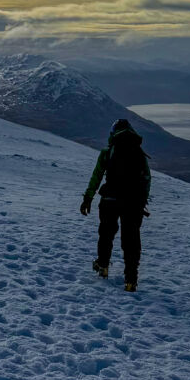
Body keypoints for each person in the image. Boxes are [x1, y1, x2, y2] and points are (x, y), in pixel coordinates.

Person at [80, 119, 151, 291]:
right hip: (133, 203)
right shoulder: (138, 152)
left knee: (106, 234)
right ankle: (131, 280)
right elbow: (146, 179)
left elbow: (96, 176)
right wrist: (141, 202)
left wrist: (88, 198)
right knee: (131, 240)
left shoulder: (108, 151)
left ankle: (103, 267)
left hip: (110, 200)